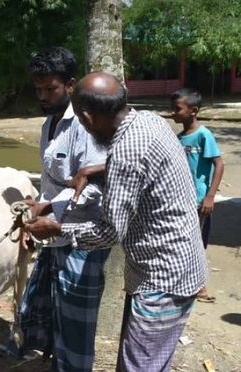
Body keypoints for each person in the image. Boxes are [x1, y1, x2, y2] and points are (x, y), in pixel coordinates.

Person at [25, 72, 208, 371]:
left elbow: (109, 232)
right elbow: (139, 166)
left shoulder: (125, 153)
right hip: (178, 267)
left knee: (137, 366)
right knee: (148, 361)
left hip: (162, 279)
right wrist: (93, 171)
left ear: (87, 117)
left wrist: (56, 228)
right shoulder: (147, 120)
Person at [17, 47, 109, 372]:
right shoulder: (48, 125)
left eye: (50, 88)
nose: (42, 95)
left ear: (70, 85)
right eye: (38, 88)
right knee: (51, 317)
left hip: (82, 241)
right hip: (54, 237)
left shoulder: (87, 126)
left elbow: (96, 191)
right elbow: (50, 183)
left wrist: (48, 211)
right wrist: (39, 212)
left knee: (76, 328)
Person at [171, 88, 225, 303]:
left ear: (193, 111)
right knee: (182, 241)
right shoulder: (178, 138)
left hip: (199, 200)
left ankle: (200, 287)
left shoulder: (203, 135)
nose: (173, 113)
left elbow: (219, 164)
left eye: (177, 109)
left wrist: (210, 196)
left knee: (196, 242)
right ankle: (186, 281)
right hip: (181, 200)